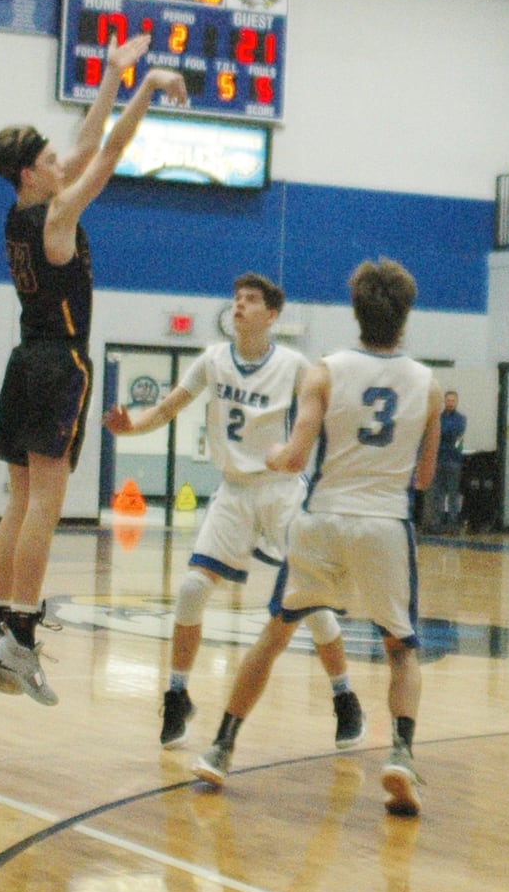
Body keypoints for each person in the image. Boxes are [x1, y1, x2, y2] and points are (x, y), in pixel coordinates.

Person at [0, 34, 187, 706]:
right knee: (47, 504)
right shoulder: (58, 215)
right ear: (32, 173)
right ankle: (24, 638)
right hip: (60, 362)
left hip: (22, 360)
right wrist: (147, 90)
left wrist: (114, 75)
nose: (61, 160)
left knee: (19, 500)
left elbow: (87, 142)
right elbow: (110, 153)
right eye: (49, 158)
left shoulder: (20, 213)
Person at [190, 259, 444, 820]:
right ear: (405, 317)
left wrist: (274, 457)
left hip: (322, 518)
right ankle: (400, 752)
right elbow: (423, 478)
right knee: (401, 651)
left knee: (275, 635)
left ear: (356, 312)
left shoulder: (324, 371)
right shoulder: (428, 385)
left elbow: (295, 453)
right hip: (384, 524)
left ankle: (221, 747)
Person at [102, 273, 360, 750]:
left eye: (251, 300)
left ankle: (345, 697)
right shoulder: (213, 359)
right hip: (234, 491)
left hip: (284, 491)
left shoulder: (295, 364)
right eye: (237, 299)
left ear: (273, 315)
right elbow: (167, 409)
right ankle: (177, 694)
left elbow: (328, 417)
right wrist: (129, 428)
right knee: (192, 589)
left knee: (311, 604)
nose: (240, 305)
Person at [433, 390, 468, 531]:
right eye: (448, 400)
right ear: (444, 402)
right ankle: (437, 524)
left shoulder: (461, 418)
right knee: (438, 493)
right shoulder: (437, 418)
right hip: (438, 459)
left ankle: (452, 524)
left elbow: (456, 433)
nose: (450, 403)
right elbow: (437, 434)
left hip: (454, 460)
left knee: (453, 493)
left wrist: (443, 434)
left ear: (456, 402)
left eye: (453, 401)